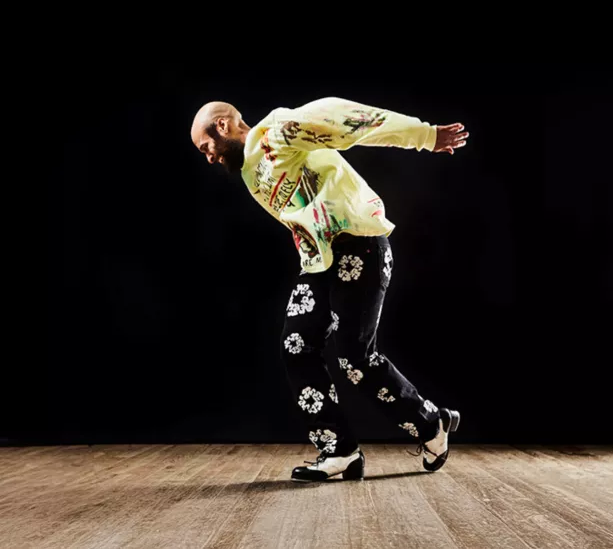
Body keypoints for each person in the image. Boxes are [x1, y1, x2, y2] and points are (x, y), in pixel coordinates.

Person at [190, 97, 467, 482]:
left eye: (207, 148)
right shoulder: (250, 172)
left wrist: (423, 135)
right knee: (296, 345)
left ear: (222, 126)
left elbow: (345, 117)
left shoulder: (278, 131)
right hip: (320, 261)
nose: (209, 158)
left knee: (355, 359)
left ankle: (430, 422)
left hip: (360, 243)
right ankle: (340, 451)